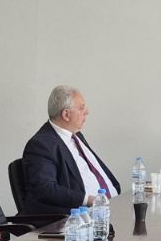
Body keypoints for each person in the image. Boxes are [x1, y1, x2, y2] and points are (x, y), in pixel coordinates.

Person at [20, 85, 120, 215]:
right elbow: (46, 189)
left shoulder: (77, 135)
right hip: (79, 216)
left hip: (110, 207)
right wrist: (88, 200)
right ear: (66, 115)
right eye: (81, 108)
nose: (87, 112)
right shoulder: (41, 145)